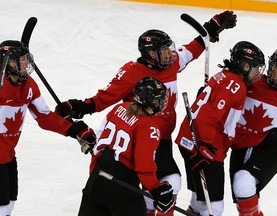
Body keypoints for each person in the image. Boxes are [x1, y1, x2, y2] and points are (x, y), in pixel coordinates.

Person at [55, 10, 237, 216]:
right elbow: (104, 98)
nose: (170, 54)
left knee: (167, 184)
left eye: (169, 49)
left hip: (162, 139)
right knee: (168, 183)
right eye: (164, 51)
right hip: (141, 138)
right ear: (151, 54)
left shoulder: (172, 62)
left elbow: (192, 49)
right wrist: (78, 106)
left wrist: (212, 25)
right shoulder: (132, 73)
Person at [0, 40, 96, 216]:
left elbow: (44, 117)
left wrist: (74, 130)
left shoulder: (28, 85)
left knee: (9, 202)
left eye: (26, 59)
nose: (26, 63)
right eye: (20, 60)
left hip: (7, 154)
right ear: (7, 62)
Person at [175, 41, 266, 216]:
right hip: (203, 147)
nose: (258, 74)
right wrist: (206, 147)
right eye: (255, 68)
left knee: (199, 200)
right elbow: (207, 117)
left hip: (188, 140)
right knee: (214, 208)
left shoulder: (223, 75)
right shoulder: (236, 85)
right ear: (245, 66)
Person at [77, 77, 176, 216]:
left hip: (96, 179)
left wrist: (94, 173)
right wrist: (156, 190)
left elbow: (99, 144)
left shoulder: (120, 108)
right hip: (123, 187)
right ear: (150, 101)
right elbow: (144, 167)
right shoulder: (149, 127)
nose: (162, 102)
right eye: (159, 99)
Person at [229, 48, 277, 216]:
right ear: (270, 68)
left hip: (269, 149)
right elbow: (227, 95)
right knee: (242, 192)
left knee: (243, 182)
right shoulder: (251, 81)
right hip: (240, 147)